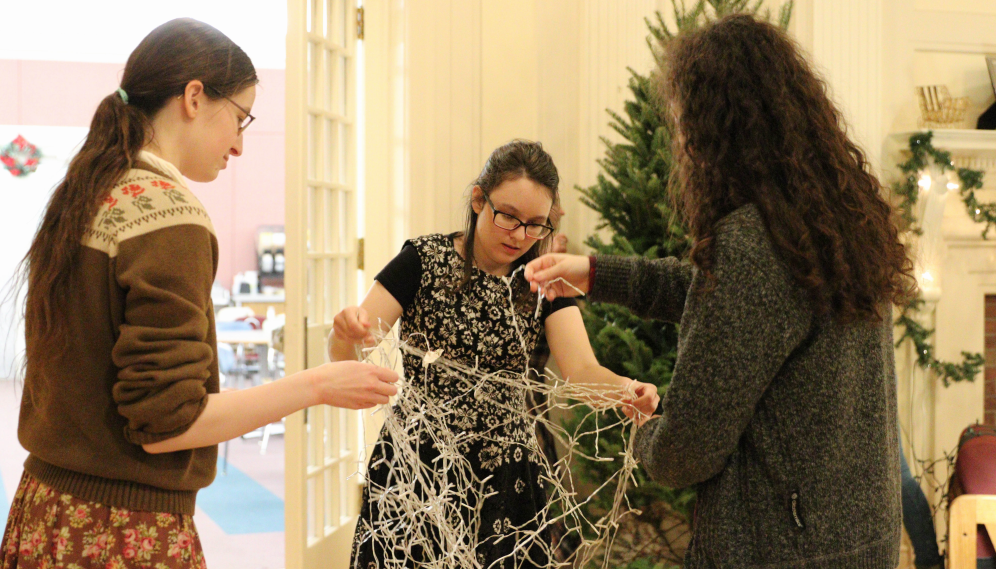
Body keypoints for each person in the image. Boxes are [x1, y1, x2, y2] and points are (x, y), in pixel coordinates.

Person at [1, 19, 396, 569]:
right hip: (121, 532)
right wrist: (320, 383)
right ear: (193, 97)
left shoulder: (85, 193)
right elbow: (169, 425)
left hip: (44, 513)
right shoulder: (169, 214)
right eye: (239, 118)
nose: (238, 144)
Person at [525, 14, 916, 568]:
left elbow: (686, 453)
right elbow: (728, 299)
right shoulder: (835, 223)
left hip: (780, 553)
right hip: (860, 541)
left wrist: (646, 432)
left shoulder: (755, 245)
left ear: (717, 129)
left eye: (686, 120)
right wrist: (598, 273)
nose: (681, 139)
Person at [329, 139, 660, 569]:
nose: (521, 235)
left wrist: (625, 390)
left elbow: (580, 369)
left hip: (507, 482)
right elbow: (349, 353)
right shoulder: (422, 260)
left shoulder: (544, 279)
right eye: (508, 217)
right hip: (419, 471)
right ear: (478, 200)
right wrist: (345, 333)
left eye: (536, 224)